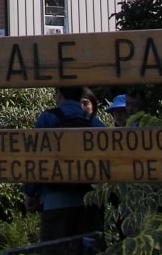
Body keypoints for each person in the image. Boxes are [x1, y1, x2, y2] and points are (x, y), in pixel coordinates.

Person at [24, 86, 105, 242]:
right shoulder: (95, 123)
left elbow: (35, 158)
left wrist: (30, 192)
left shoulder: (47, 118)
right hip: (89, 203)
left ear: (59, 95)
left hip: (55, 202)